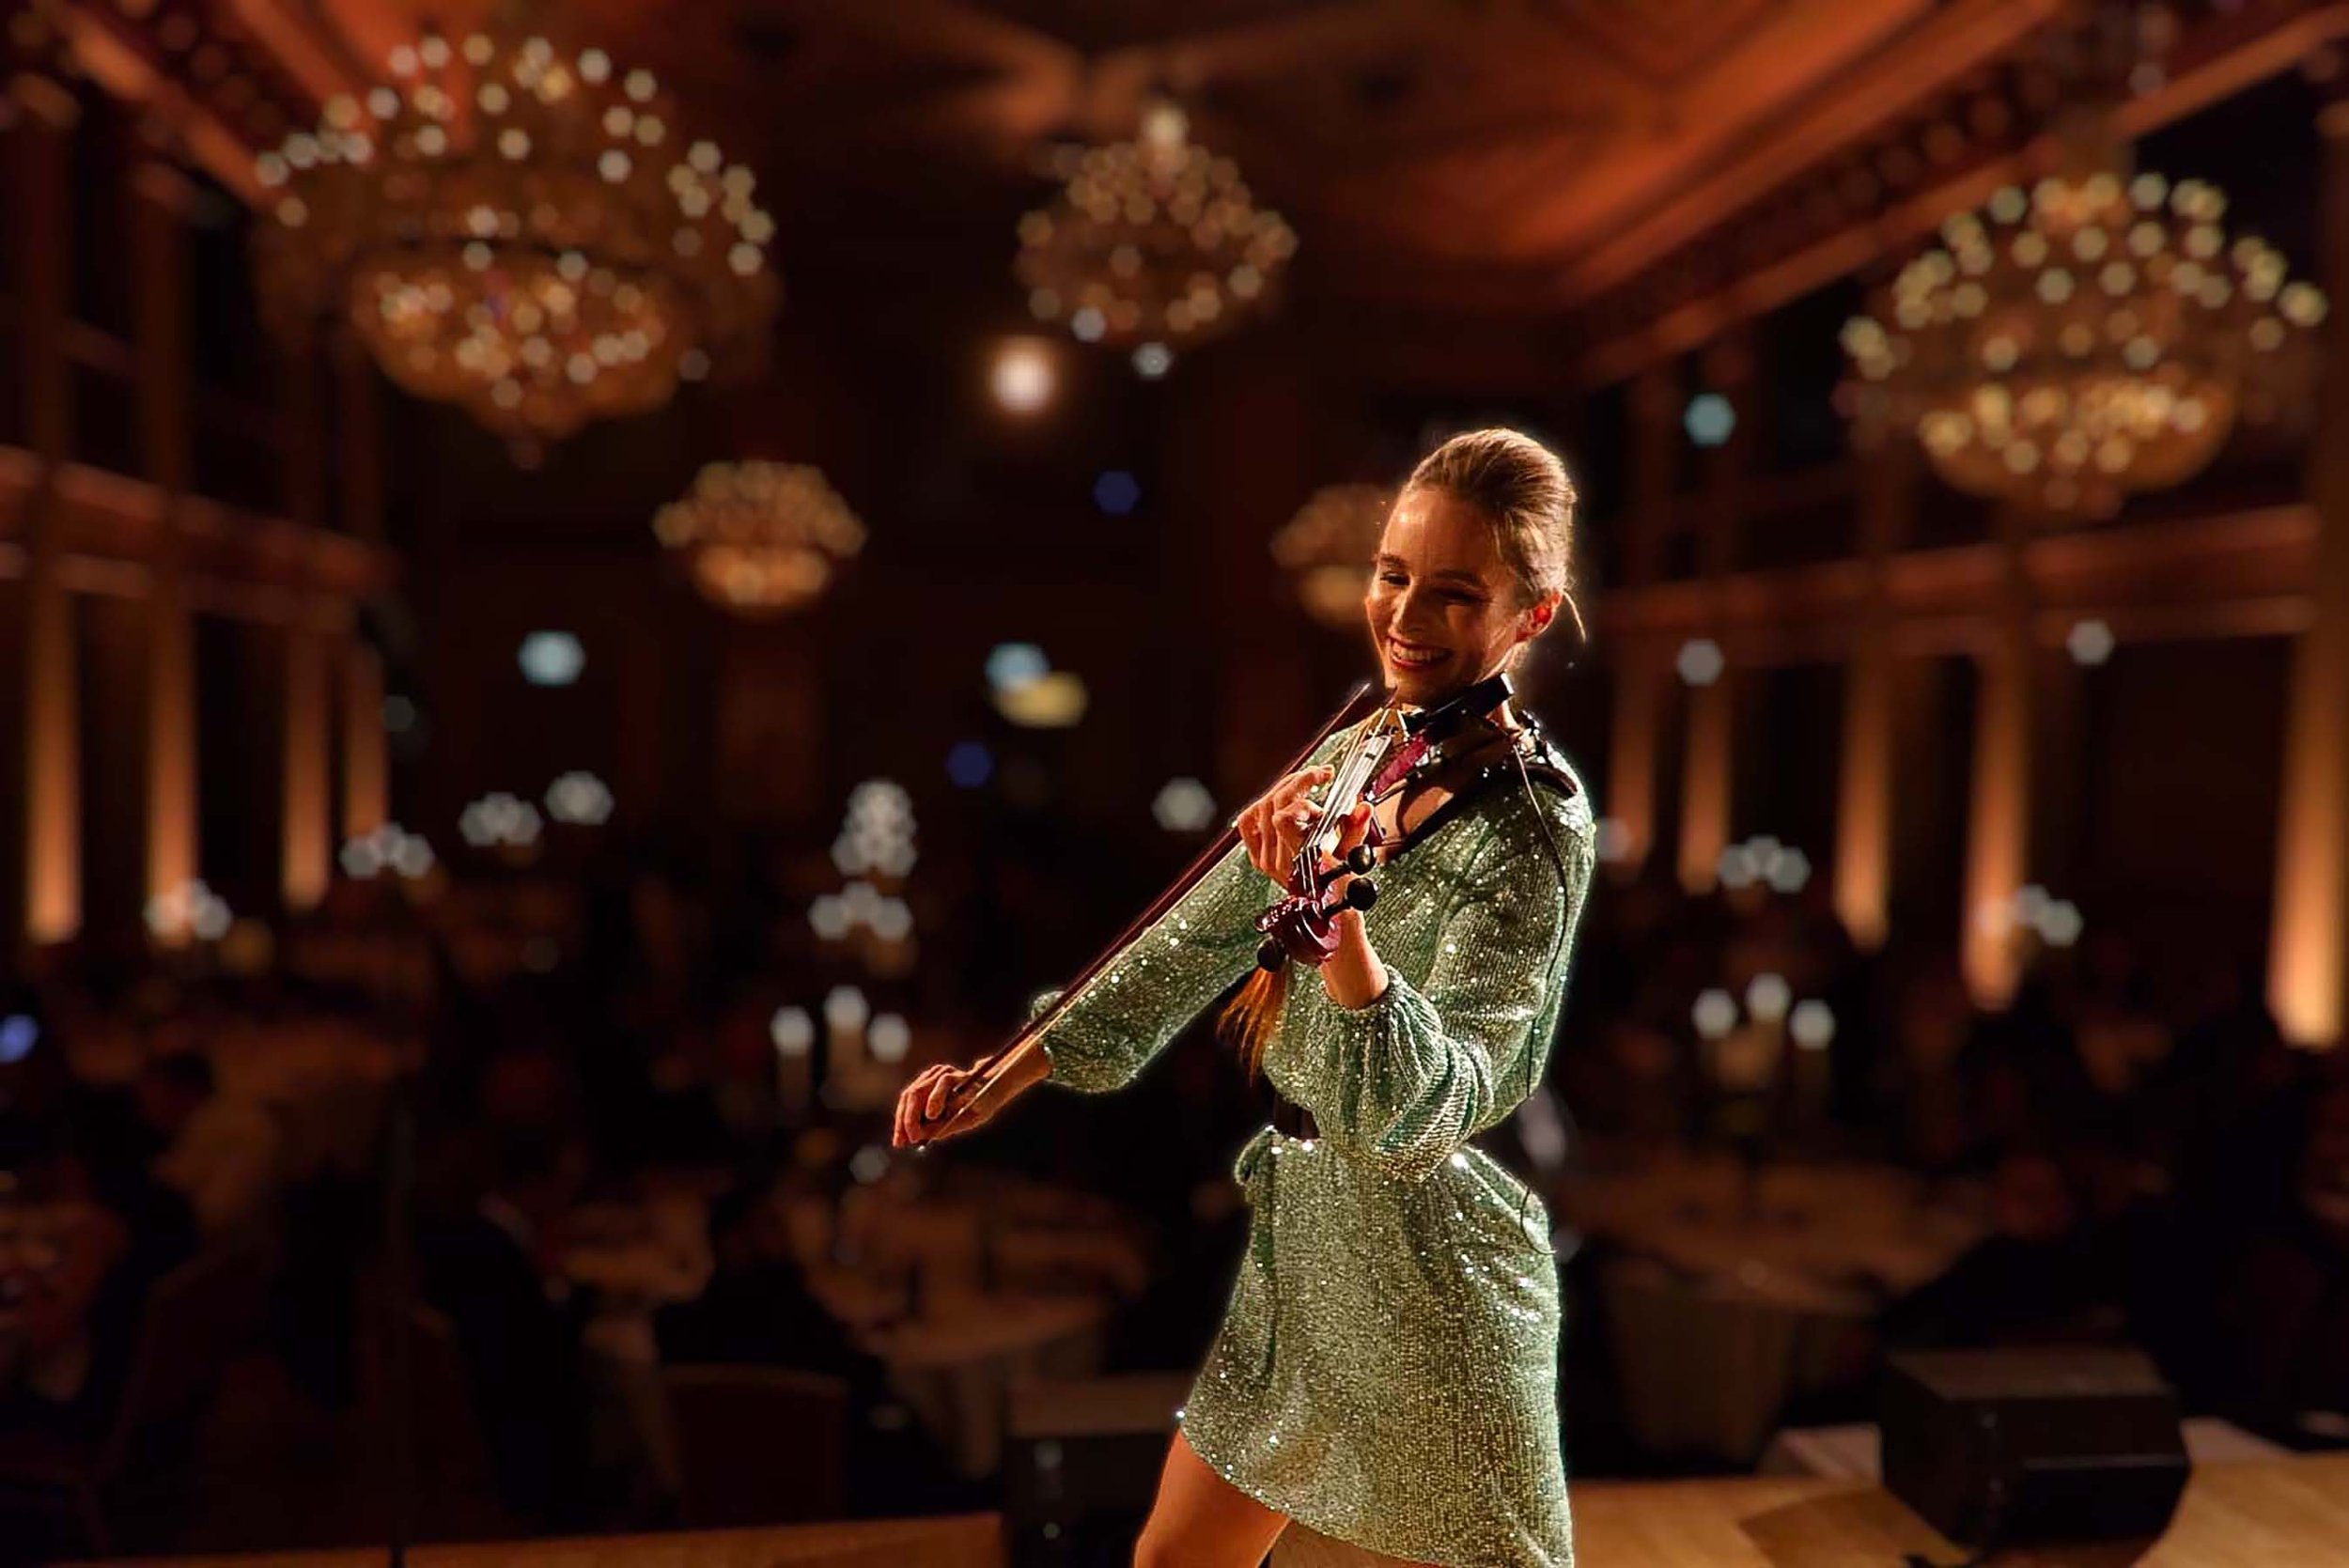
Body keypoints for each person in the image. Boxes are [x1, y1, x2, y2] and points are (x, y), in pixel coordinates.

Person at [894, 429, 1597, 1568]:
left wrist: (1337, 929)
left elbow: (1437, 1104)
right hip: (1309, 1241)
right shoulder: (1362, 749)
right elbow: (1185, 942)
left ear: (1531, 614)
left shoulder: (1533, 820)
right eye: (1392, 574)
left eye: (1456, 593)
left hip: (1436, 1274)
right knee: (1173, 1561)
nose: (1405, 615)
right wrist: (1001, 1077)